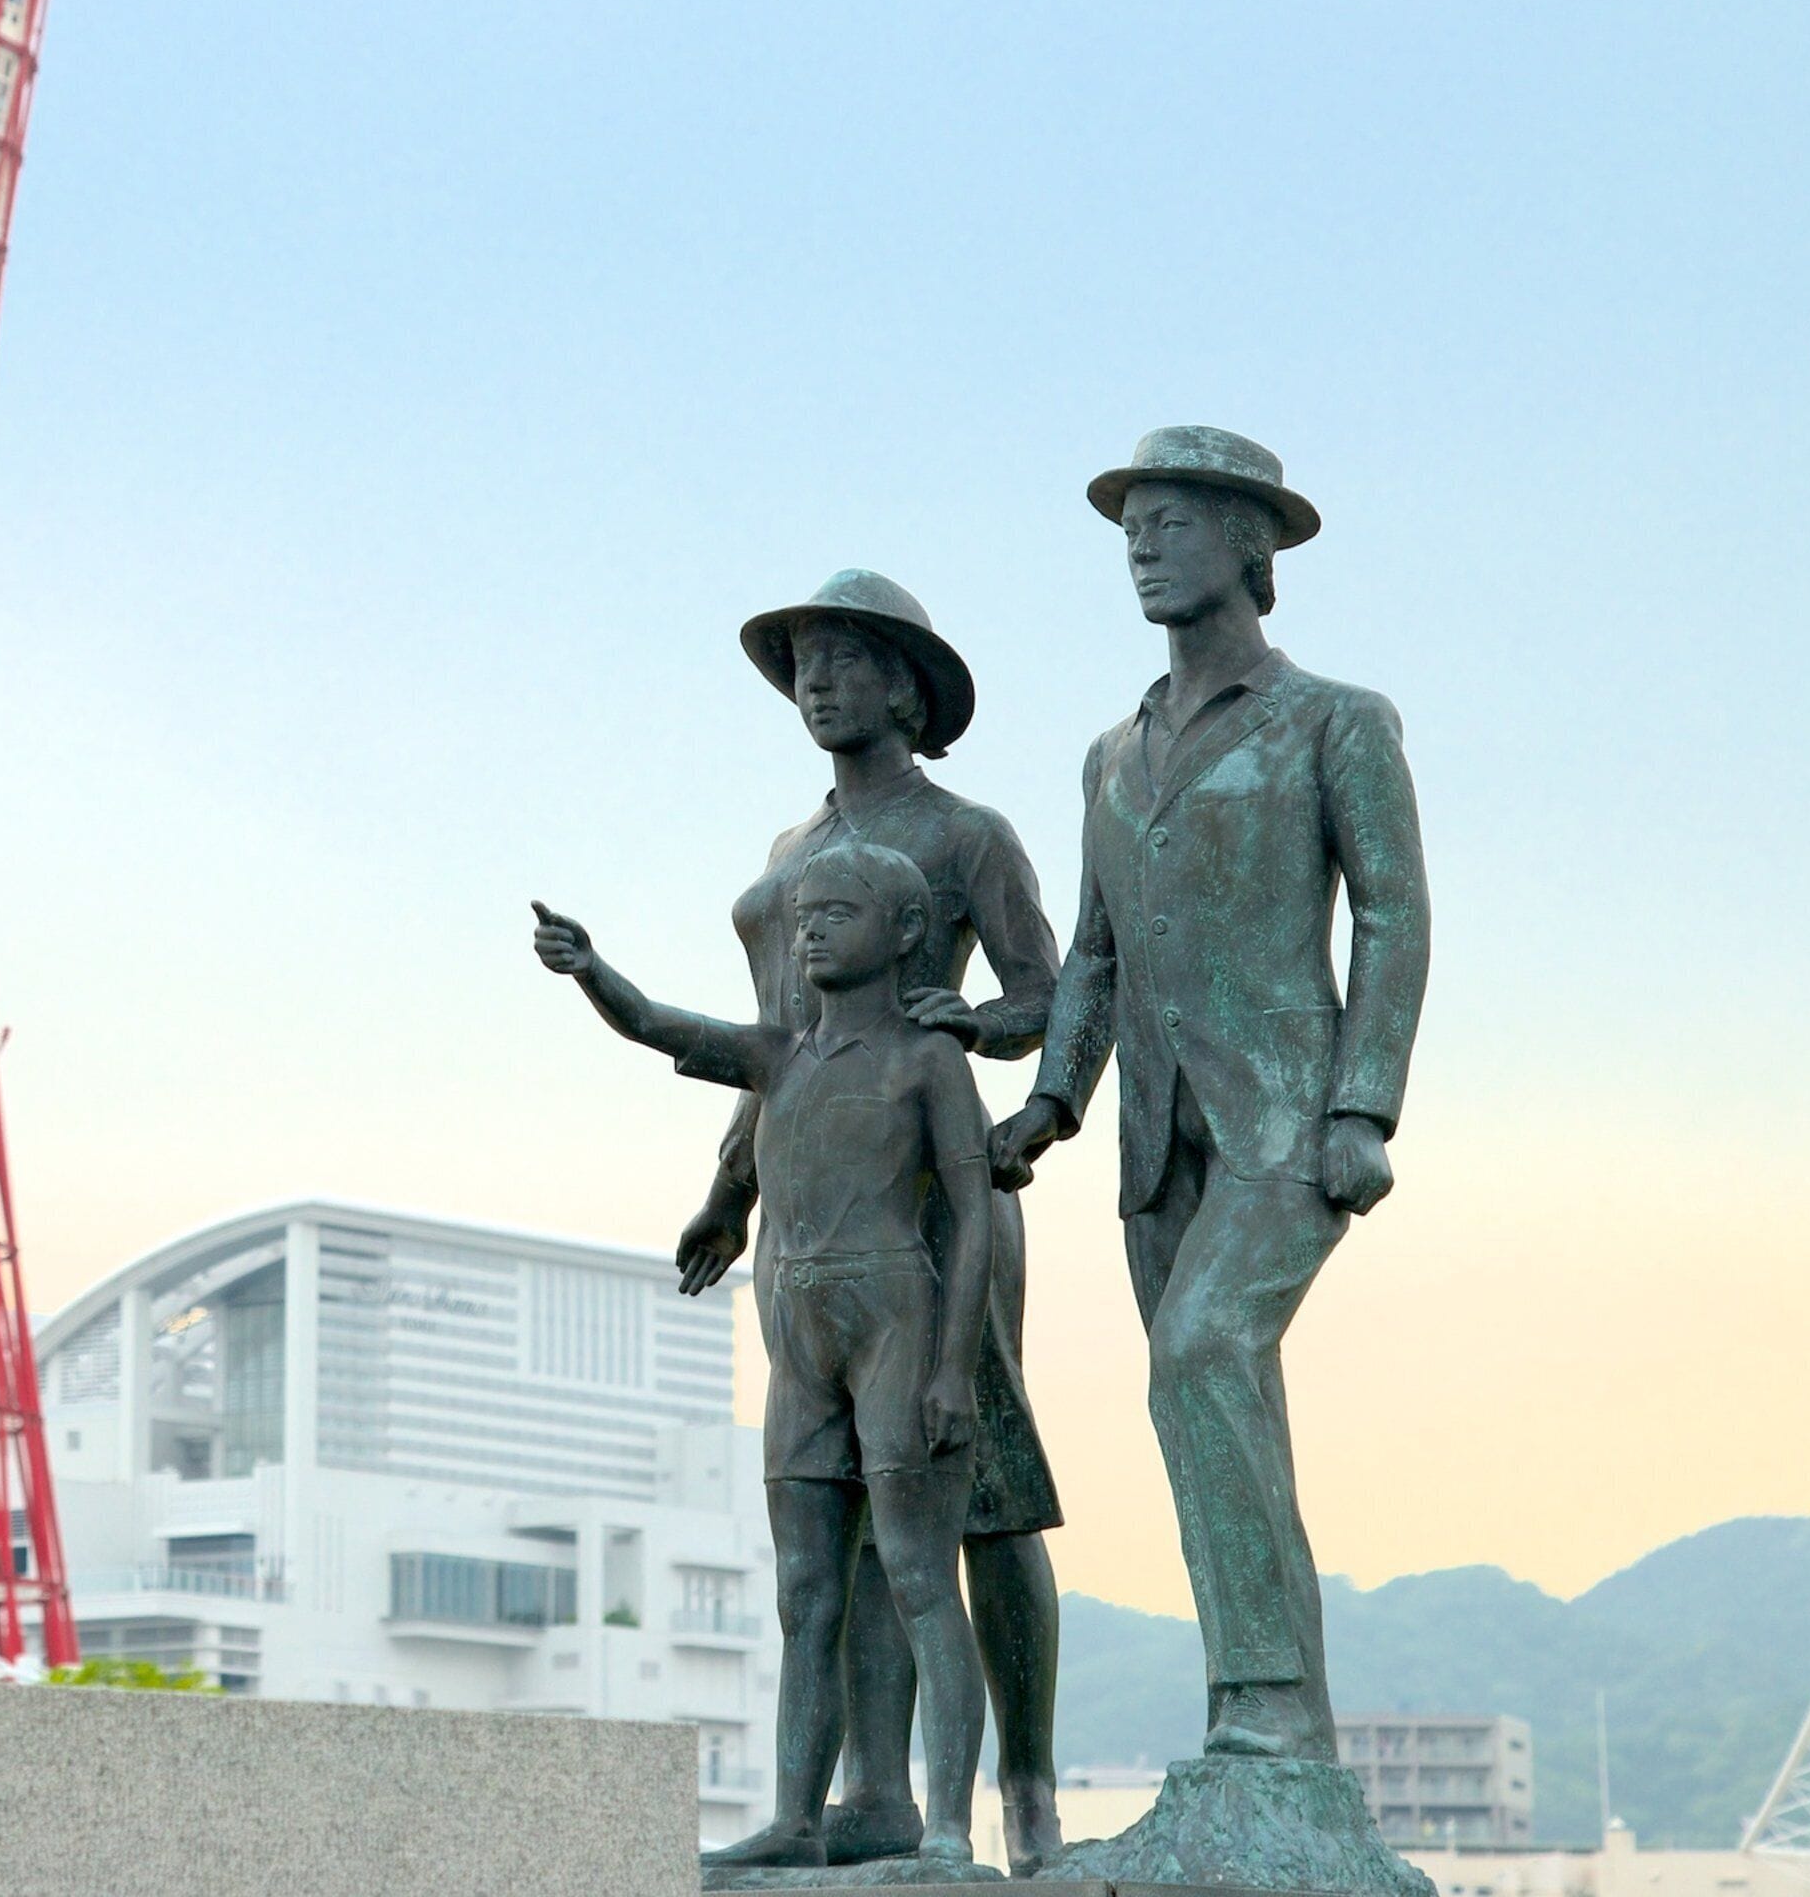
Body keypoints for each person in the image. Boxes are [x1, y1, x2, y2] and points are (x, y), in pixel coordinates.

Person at [989, 427, 1432, 1764]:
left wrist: (1365, 1106)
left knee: (1204, 1358)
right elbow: (1095, 953)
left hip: (1286, 1119)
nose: (1142, 544)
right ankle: (1267, 1716)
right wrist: (1052, 1106)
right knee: (1205, 1403)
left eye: (1173, 520)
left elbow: (1395, 915)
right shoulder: (1107, 755)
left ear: (1251, 545)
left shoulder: (1335, 721)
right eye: (1132, 524)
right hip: (1151, 1137)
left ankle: (1267, 1714)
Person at [673, 569, 1065, 1870]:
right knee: (832, 1516)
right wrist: (733, 1186)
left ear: (907, 684)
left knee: (985, 1496)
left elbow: (1049, 1000)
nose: (819, 684)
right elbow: (778, 1046)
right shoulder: (794, 859)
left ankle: (1025, 1789)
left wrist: (976, 1029)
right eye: (803, 666)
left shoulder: (966, 835)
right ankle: (865, 1799)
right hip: (810, 1210)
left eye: (845, 660)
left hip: (935, 1197)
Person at [531, 845, 996, 1879]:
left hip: (896, 1317)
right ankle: (794, 1812)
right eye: (803, 915)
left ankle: (953, 1824)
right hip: (797, 1331)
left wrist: (953, 1367)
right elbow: (661, 1027)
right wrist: (590, 969)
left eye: (838, 912)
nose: (812, 930)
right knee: (804, 1589)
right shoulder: (780, 1055)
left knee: (921, 1572)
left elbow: (971, 1215)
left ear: (905, 932)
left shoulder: (927, 1059)